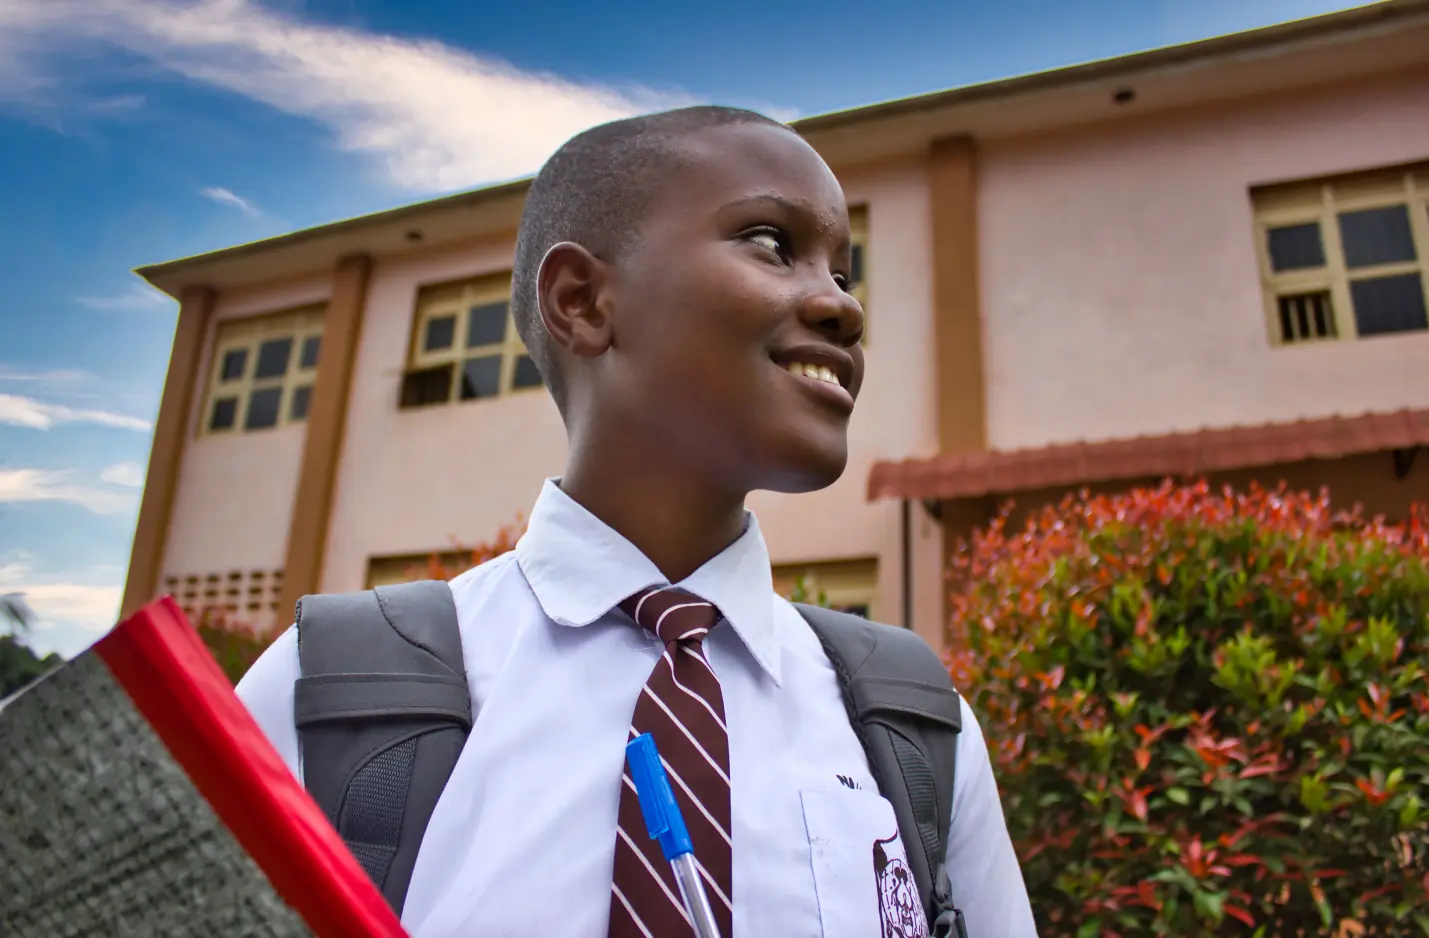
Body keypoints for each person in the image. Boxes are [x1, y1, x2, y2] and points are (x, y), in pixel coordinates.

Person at [236, 105, 1037, 938]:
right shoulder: (326, 694)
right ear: (582, 302)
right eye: (771, 243)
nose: (842, 307)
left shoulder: (914, 729)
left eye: (842, 272)